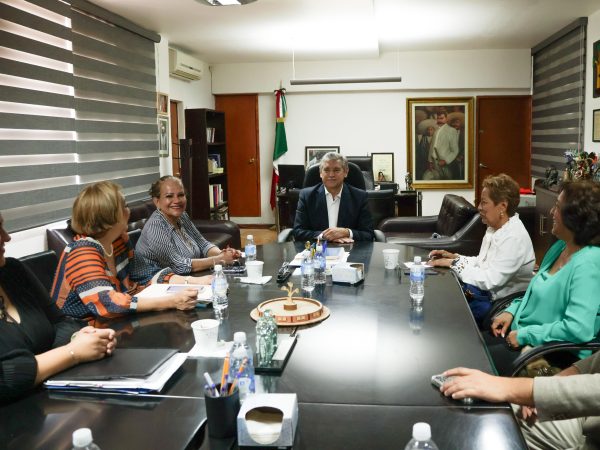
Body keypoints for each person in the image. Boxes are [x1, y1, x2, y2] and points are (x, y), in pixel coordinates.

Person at [486, 180, 600, 375]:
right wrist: (512, 311)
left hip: (550, 354)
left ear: (575, 217)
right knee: (467, 342)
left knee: (472, 359)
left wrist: (525, 335)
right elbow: (534, 293)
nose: (551, 212)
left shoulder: (589, 262)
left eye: (557, 207)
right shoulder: (560, 247)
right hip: (521, 337)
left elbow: (578, 329)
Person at [0, 213, 117, 402]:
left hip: (51, 396)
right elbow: (5, 378)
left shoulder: (13, 270)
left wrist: (80, 338)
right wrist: (73, 353)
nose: (7, 237)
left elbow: (61, 322)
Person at [51, 181, 202, 321]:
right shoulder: (81, 252)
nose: (128, 211)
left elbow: (147, 274)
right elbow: (109, 304)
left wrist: (197, 282)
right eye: (124, 206)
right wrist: (172, 301)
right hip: (79, 330)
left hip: (115, 323)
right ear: (109, 216)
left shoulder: (118, 241)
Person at [428, 174, 535, 325]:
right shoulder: (495, 228)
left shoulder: (513, 237)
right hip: (484, 294)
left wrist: (453, 264)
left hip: (499, 304)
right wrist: (455, 257)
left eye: (484, 202)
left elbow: (490, 280)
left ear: (502, 206)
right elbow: (482, 262)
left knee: (441, 312)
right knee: (438, 296)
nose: (479, 207)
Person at [439, 352, 600, 450]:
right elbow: (592, 364)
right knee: (494, 410)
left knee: (498, 417)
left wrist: (514, 388)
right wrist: (539, 392)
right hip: (590, 419)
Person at [131, 176, 240, 284]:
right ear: (157, 201)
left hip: (186, 278)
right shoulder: (155, 226)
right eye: (169, 196)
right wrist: (220, 259)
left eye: (181, 195)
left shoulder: (182, 216)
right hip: (159, 284)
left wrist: (223, 253)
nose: (177, 200)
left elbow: (202, 244)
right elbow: (178, 266)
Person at [293, 152, 374, 243]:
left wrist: (346, 232)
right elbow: (298, 232)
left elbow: (369, 234)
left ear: (346, 172)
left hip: (350, 249)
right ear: (320, 173)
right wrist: (324, 236)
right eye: (326, 170)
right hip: (318, 249)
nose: (331, 175)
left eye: (336, 170)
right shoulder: (307, 196)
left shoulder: (360, 197)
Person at [427, 111, 460, 180]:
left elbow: (455, 151)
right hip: (434, 163)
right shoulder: (436, 131)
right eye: (438, 118)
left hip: (444, 165)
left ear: (446, 119)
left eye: (441, 118)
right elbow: (432, 147)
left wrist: (445, 161)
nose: (439, 120)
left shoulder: (452, 131)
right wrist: (430, 161)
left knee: (445, 181)